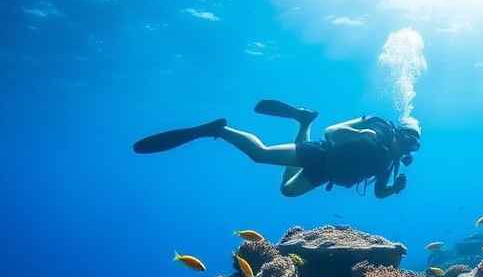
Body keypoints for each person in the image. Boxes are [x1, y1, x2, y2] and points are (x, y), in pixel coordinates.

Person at [133, 99, 420, 198]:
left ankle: (303, 120)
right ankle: (218, 129)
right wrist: (364, 134)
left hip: (325, 175)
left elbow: (380, 192)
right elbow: (332, 133)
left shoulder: (388, 163)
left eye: (413, 146)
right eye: (407, 140)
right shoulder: (377, 132)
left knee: (287, 191)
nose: (407, 148)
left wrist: (396, 189)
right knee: (261, 154)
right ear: (399, 133)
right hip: (321, 154)